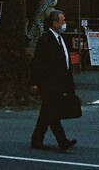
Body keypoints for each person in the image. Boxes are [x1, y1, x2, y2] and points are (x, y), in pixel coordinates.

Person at [29, 9, 77, 152]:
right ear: (54, 23)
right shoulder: (46, 39)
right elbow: (38, 62)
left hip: (58, 83)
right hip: (49, 83)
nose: (64, 23)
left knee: (49, 113)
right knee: (50, 111)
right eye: (62, 21)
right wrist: (34, 82)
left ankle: (40, 139)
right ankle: (60, 141)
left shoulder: (60, 39)